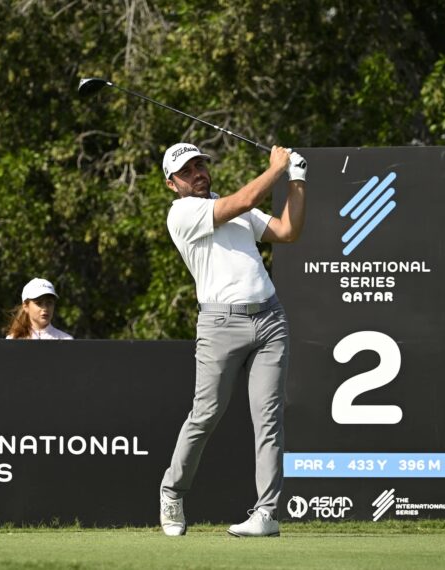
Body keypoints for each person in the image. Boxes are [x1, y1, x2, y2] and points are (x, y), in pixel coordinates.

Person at [158, 143, 307, 538]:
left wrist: (297, 180)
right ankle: (172, 492)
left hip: (270, 320)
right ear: (172, 184)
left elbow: (287, 231)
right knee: (206, 413)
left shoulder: (234, 208)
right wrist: (277, 168)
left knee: (269, 418)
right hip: (220, 326)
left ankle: (267, 513)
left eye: (200, 165)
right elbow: (246, 198)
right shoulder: (183, 214)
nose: (198, 173)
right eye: (187, 171)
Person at [5, 278, 73, 340]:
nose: (45, 308)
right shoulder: (13, 339)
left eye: (49, 302)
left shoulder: (67, 340)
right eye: (39, 303)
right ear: (26, 306)